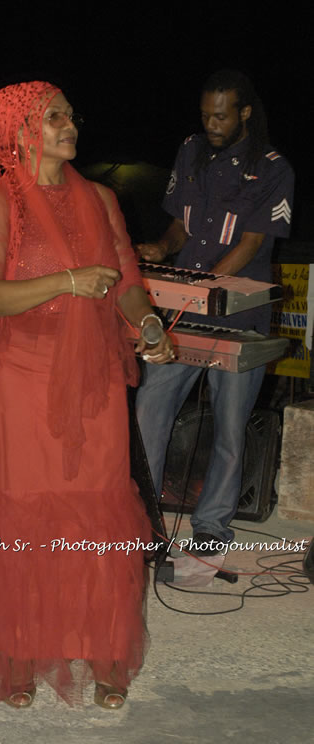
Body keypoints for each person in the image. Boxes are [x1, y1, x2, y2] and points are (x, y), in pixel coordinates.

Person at [0, 80, 173, 709]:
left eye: (70, 115)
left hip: (90, 380)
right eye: (53, 116)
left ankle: (105, 651)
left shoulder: (101, 199)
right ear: (19, 131)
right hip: (20, 380)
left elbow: (124, 280)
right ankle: (16, 652)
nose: (69, 125)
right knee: (19, 518)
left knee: (99, 513)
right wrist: (66, 281)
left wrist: (145, 325)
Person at [136, 70, 294, 548]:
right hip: (184, 313)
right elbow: (180, 223)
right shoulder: (190, 150)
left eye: (221, 116)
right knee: (150, 408)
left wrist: (205, 286)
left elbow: (250, 243)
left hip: (238, 314)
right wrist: (163, 250)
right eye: (206, 115)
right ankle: (142, 516)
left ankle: (211, 525)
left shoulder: (273, 169)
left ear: (244, 112)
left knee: (230, 423)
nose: (212, 124)